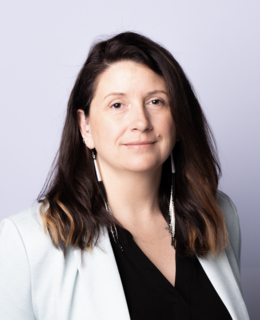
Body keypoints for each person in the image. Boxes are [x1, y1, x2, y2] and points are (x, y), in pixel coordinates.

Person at [0, 31, 250, 320]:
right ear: (85, 126)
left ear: (179, 117)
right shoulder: (27, 243)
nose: (141, 122)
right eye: (117, 105)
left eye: (156, 101)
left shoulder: (217, 214)